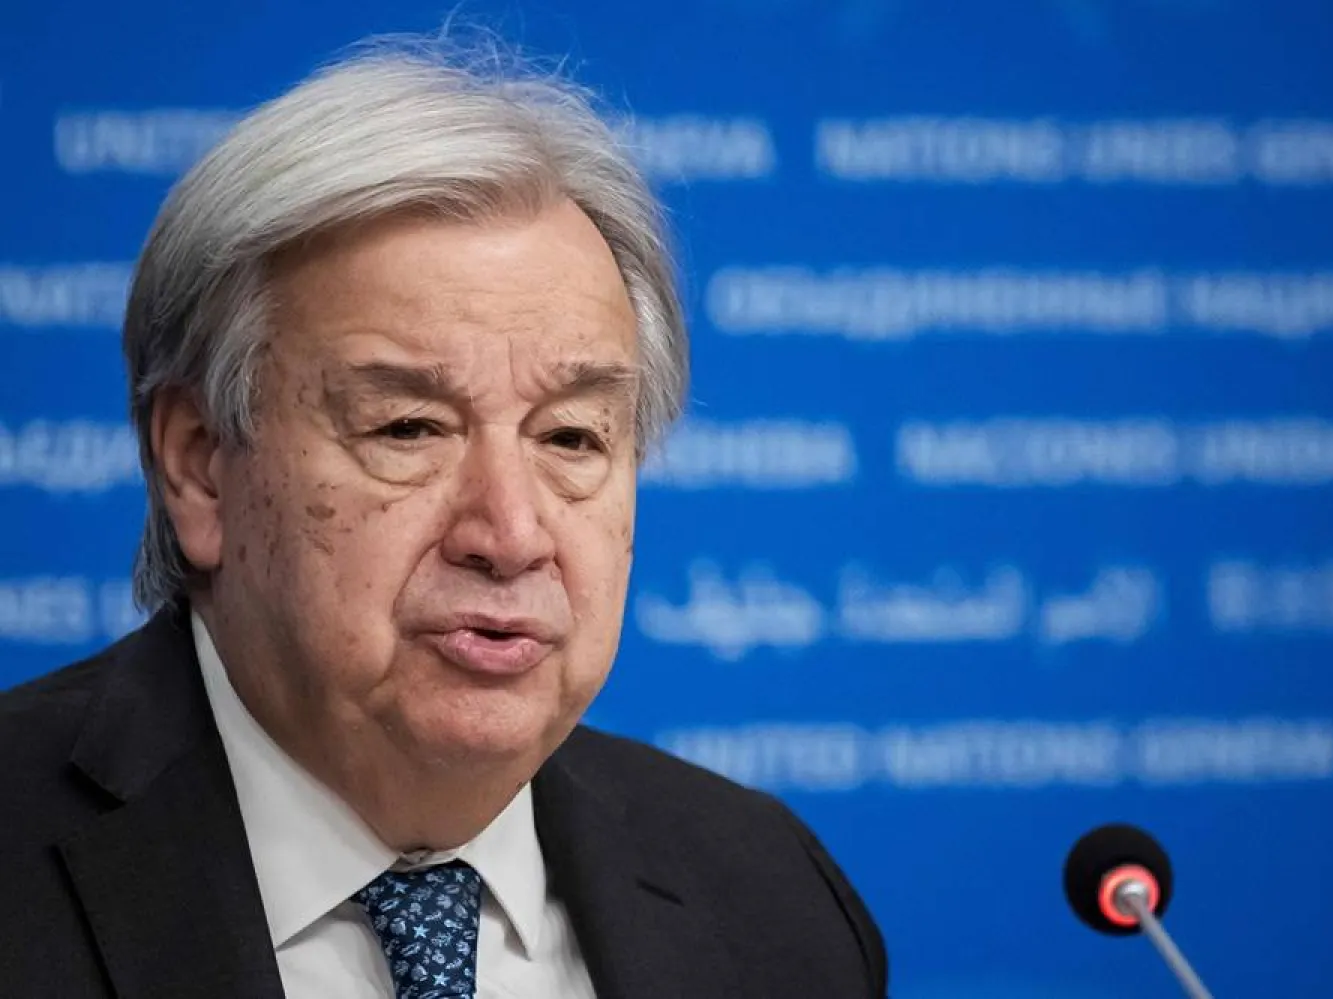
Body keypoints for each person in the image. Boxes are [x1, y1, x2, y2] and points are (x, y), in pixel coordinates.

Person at [0, 34, 887, 999]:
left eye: (571, 438)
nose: (509, 535)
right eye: (409, 427)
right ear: (201, 467)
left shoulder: (771, 900)